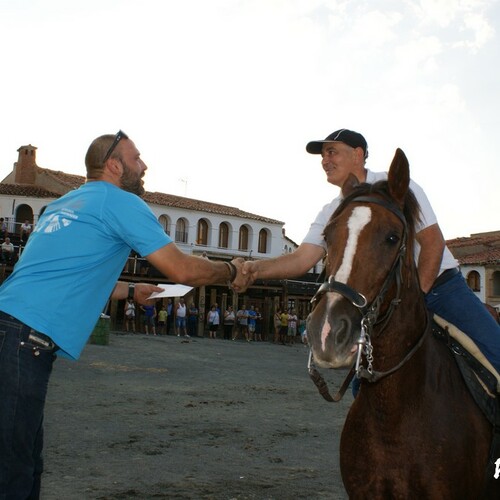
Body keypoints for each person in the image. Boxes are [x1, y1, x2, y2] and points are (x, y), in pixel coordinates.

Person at [0, 130, 250, 499]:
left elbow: (65, 276)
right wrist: (231, 270)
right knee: (13, 472)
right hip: (24, 339)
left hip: (10, 327)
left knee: (22, 461)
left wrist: (132, 291)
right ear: (114, 166)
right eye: (136, 159)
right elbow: (182, 269)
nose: (144, 165)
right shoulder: (120, 202)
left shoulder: (63, 204)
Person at [242, 128, 500, 375]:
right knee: (364, 383)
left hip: (441, 288)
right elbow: (302, 258)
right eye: (323, 156)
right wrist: (253, 269)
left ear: (358, 153)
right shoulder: (332, 209)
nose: (325, 160)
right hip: (381, 304)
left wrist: (416, 300)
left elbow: (432, 243)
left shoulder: (398, 186)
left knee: (496, 351)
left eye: (332, 152)